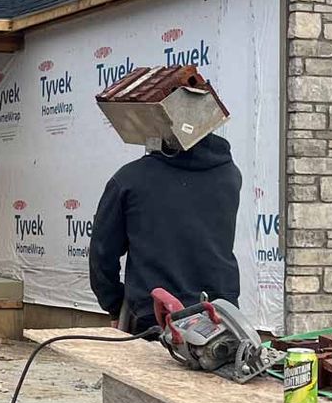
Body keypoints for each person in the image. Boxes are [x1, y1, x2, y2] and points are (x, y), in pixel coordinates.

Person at [88, 125, 243, 332]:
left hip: (155, 317)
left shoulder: (130, 179)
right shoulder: (230, 174)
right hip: (221, 317)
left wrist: (114, 305)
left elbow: (102, 256)